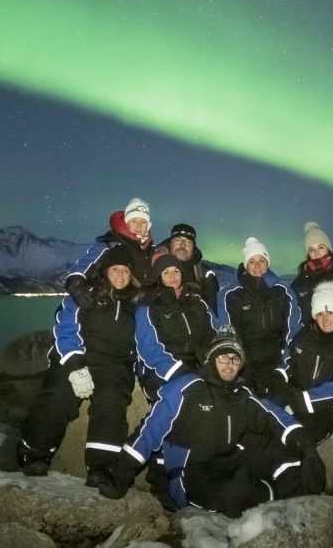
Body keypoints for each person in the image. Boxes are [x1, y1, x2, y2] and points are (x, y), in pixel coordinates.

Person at [99, 331, 326, 518]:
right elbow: (148, 433)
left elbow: (274, 416)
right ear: (210, 359)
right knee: (237, 493)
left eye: (235, 359)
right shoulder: (186, 389)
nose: (230, 365)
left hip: (227, 462)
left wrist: (307, 448)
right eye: (223, 357)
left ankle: (289, 503)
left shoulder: (240, 393)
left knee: (289, 460)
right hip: (187, 474)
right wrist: (120, 472)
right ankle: (272, 501)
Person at [17, 245, 140, 486]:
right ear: (105, 271)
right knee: (58, 397)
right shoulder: (86, 295)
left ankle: (100, 466)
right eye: (115, 269)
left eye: (126, 270)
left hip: (114, 363)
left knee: (112, 402)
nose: (121, 275)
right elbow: (65, 328)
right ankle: (33, 452)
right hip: (80, 355)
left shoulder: (134, 302)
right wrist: (75, 365)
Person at [271, 281, 333, 444]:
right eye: (320, 314)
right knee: (260, 419)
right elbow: (287, 361)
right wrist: (278, 377)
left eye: (330, 312)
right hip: (295, 396)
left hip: (325, 408)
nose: (325, 319)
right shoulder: (304, 336)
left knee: (296, 441)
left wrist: (304, 399)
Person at [216, 237, 301, 395]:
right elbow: (227, 335)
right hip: (244, 366)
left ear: (268, 263)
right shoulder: (230, 295)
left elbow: (293, 332)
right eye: (252, 261)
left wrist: (283, 368)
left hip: (277, 363)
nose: (257, 266)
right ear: (246, 265)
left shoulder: (283, 292)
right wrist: (238, 368)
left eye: (262, 260)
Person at [134, 252, 217, 402]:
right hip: (162, 371)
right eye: (166, 272)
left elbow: (211, 335)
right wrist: (178, 371)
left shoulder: (196, 302)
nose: (172, 276)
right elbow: (149, 348)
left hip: (197, 365)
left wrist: (210, 364)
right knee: (189, 400)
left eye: (176, 271)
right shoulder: (148, 306)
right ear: (158, 277)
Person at [64, 198, 154, 308]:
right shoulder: (110, 244)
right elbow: (86, 263)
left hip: (131, 307)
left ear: (148, 226)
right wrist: (76, 286)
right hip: (106, 304)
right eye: (134, 221)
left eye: (143, 222)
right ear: (126, 223)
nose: (139, 226)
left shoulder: (146, 249)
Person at [155, 223, 220, 313]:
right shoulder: (154, 265)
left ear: (193, 247)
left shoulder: (204, 274)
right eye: (178, 240)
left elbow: (212, 311)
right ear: (170, 243)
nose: (182, 245)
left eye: (188, 242)